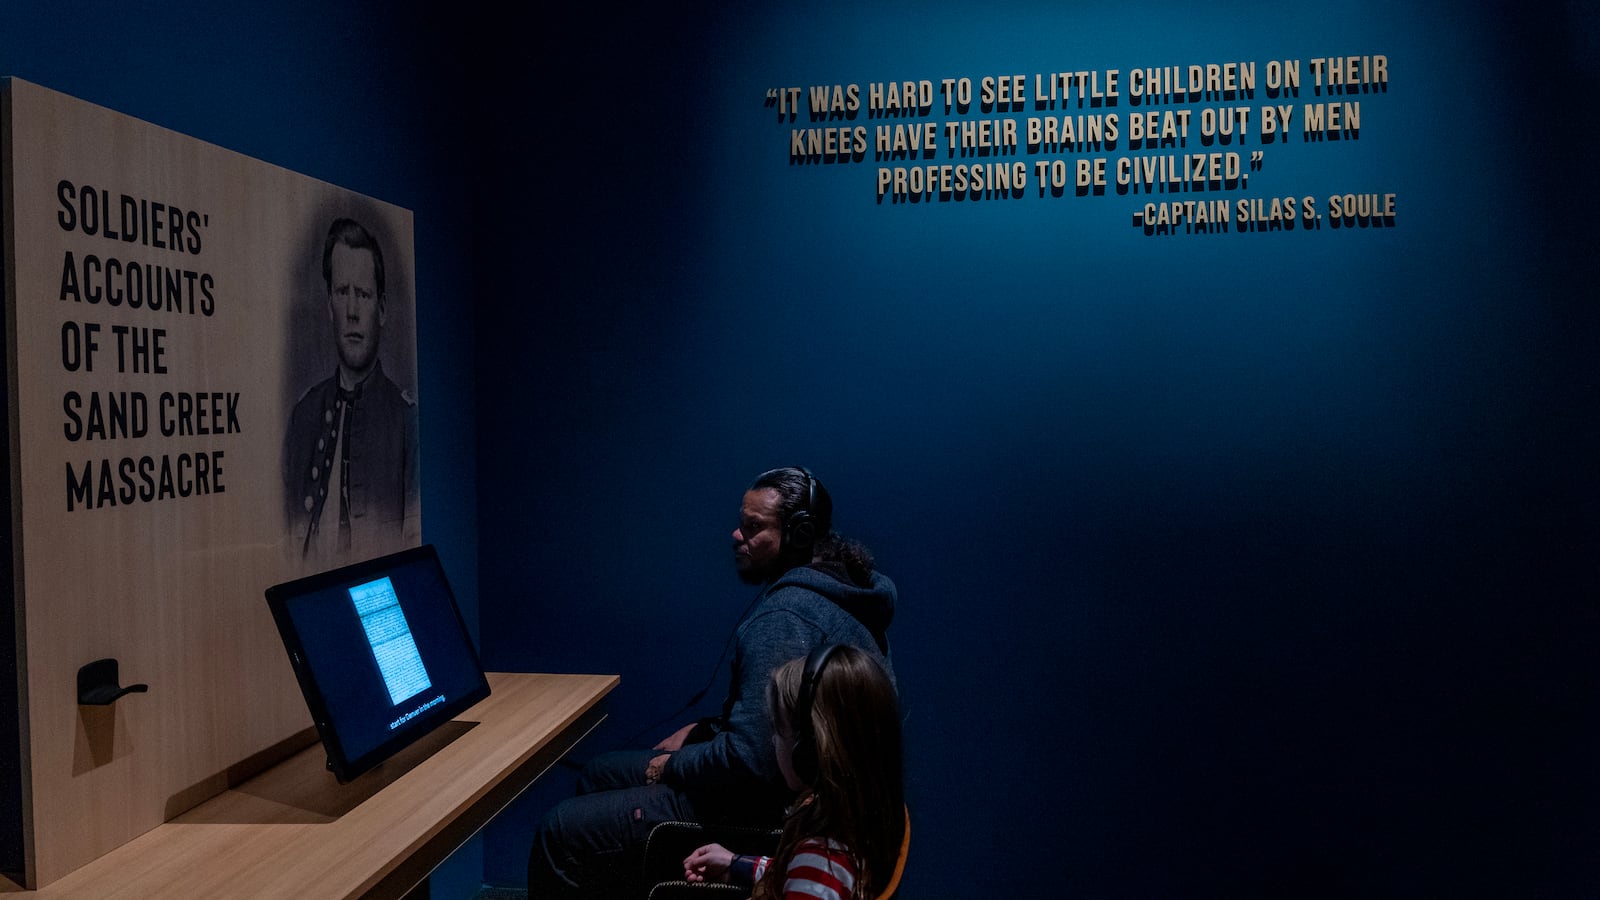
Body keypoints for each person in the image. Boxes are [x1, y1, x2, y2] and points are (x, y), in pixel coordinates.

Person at [528, 466, 897, 897]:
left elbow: (754, 760)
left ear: (798, 535)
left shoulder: (785, 618)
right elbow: (768, 726)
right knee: (597, 773)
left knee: (560, 829)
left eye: (753, 527)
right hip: (805, 794)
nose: (737, 536)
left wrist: (672, 765)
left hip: (770, 806)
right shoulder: (846, 593)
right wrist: (702, 732)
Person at [682, 644, 906, 900]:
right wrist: (737, 864)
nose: (773, 741)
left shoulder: (822, 857)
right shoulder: (852, 827)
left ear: (808, 752)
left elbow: (809, 874)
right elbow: (797, 874)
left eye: (778, 730)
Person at [283, 217, 419, 562]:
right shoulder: (303, 417)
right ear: (329, 305)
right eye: (343, 292)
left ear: (382, 309)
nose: (353, 312)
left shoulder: (406, 423)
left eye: (363, 294)